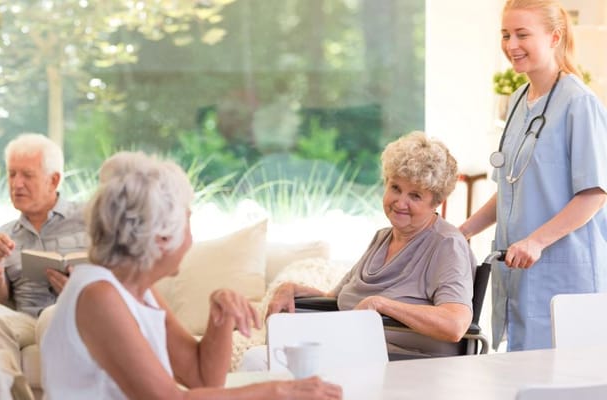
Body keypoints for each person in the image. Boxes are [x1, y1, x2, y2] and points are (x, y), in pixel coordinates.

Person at [40, 151, 342, 399]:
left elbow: (202, 378)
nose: (191, 237)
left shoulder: (136, 288)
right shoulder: (98, 296)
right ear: (160, 237)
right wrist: (280, 390)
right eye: (187, 220)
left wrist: (219, 316)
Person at [459, 0, 607, 352]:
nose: (511, 45)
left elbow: (595, 193)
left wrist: (536, 241)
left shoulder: (578, 103)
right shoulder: (518, 100)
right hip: (518, 271)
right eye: (506, 34)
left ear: (555, 37)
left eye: (522, 34)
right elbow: (512, 187)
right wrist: (464, 230)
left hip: (563, 273)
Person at [254, 131, 475, 361]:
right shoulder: (383, 238)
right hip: (354, 350)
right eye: (395, 188)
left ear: (436, 202)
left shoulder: (446, 244)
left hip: (405, 361)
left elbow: (454, 324)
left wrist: (382, 305)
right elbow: (335, 298)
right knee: (262, 358)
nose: (400, 202)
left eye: (415, 196)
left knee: (260, 361)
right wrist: (291, 288)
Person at [0, 133, 88, 399]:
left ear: (54, 180)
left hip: (75, 317)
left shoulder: (89, 220)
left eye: (27, 175)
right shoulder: (4, 235)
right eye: (12, 174)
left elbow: (117, 279)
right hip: (25, 319)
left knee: (52, 314)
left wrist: (77, 288)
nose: (16, 184)